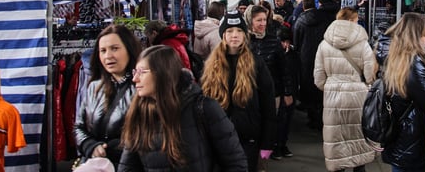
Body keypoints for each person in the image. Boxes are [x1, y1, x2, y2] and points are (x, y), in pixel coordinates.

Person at [117, 45, 248, 171]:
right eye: (135, 71)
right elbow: (128, 166)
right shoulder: (139, 114)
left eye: (142, 72)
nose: (135, 79)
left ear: (163, 73)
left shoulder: (204, 108)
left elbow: (235, 162)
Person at [201, 11, 277, 172]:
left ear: (245, 34)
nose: (234, 35)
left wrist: (267, 143)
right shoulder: (210, 66)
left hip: (248, 140)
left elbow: (268, 105)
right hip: (217, 141)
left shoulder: (257, 63)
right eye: (229, 31)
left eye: (239, 31)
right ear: (223, 34)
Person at [380, 13, 425, 172]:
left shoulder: (396, 57)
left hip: (401, 139)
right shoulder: (414, 64)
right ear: (414, 36)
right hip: (413, 142)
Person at [314, 8, 376, 172]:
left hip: (333, 100)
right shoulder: (363, 44)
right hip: (358, 97)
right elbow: (370, 76)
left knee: (336, 143)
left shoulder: (324, 45)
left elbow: (319, 79)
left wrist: (331, 87)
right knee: (358, 143)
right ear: (351, 21)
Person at [75, 24, 142, 168]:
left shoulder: (142, 87)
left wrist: (117, 148)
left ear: (129, 49)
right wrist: (90, 145)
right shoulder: (94, 87)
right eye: (103, 51)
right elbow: (78, 127)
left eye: (115, 48)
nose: (108, 56)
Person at [293, 0, 334, 128]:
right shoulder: (325, 18)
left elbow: (296, 41)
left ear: (303, 7)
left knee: (308, 84)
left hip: (306, 57)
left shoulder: (300, 20)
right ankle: (322, 115)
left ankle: (312, 117)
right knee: (322, 84)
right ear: (315, 5)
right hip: (323, 55)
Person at [272, 25, 298, 160]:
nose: (285, 44)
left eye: (287, 41)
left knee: (287, 120)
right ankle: (276, 145)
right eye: (283, 41)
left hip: (290, 91)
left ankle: (283, 144)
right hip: (278, 92)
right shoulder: (275, 54)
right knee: (278, 120)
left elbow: (294, 74)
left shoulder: (293, 55)